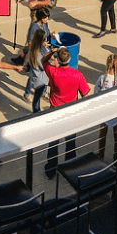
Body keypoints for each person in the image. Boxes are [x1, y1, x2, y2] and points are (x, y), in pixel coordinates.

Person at [41, 49, 91, 177]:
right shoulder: (77, 74)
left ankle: (51, 170)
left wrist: (51, 51)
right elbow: (85, 92)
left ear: (58, 60)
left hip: (55, 110)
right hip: (71, 112)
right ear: (69, 60)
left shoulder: (53, 72)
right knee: (70, 141)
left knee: (53, 141)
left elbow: (43, 60)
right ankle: (70, 168)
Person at [22, 30, 50, 111]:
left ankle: (44, 93)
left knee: (45, 79)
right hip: (37, 69)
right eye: (44, 39)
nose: (45, 40)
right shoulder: (34, 49)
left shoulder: (41, 46)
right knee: (32, 79)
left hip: (42, 69)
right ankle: (27, 94)